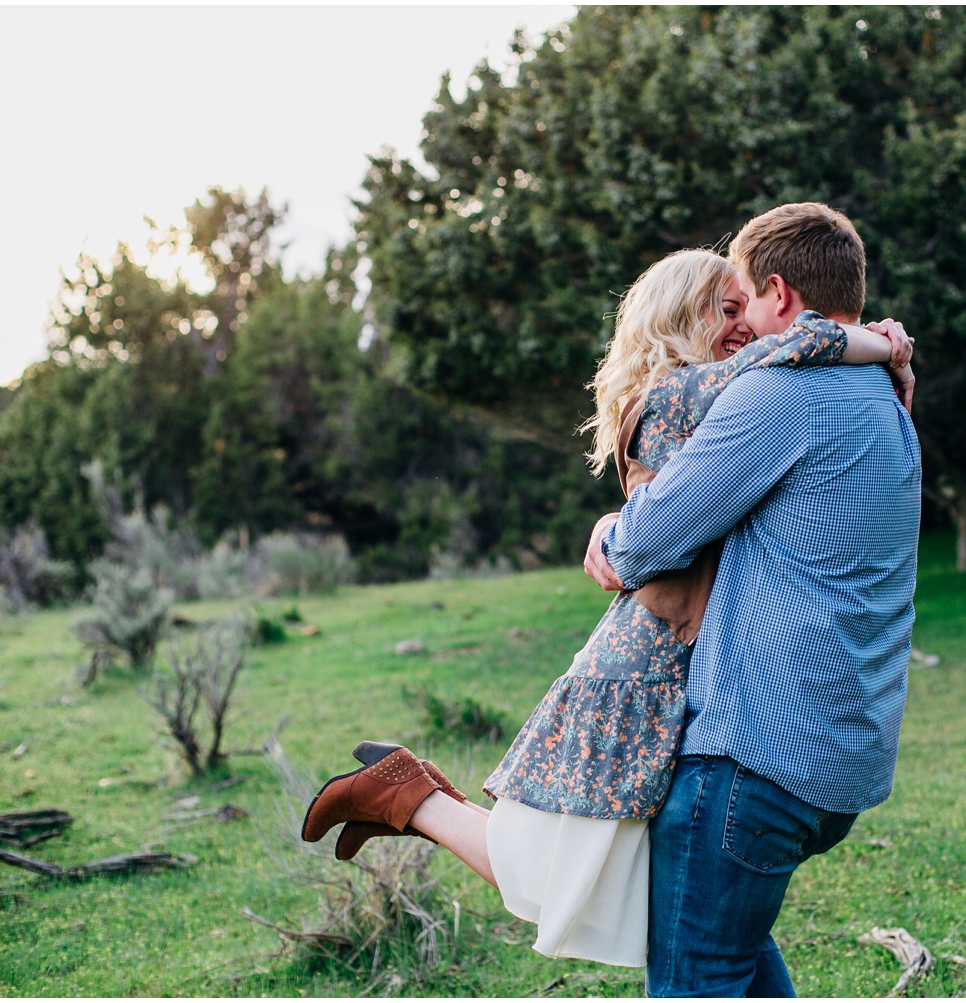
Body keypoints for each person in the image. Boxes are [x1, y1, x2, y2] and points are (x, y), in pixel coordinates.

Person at [301, 241, 914, 970]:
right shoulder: (689, 392)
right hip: (647, 667)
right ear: (681, 321)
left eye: (746, 303)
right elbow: (806, 339)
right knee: (564, 870)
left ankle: (411, 792)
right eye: (726, 309)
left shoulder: (716, 387)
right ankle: (411, 795)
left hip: (673, 664)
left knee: (669, 899)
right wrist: (879, 341)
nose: (746, 322)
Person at [583, 203, 922, 996]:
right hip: (839, 762)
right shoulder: (888, 402)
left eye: (742, 303)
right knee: (733, 957)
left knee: (696, 977)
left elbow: (640, 544)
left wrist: (612, 522)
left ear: (777, 293)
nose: (738, 328)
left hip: (751, 759)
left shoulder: (776, 398)